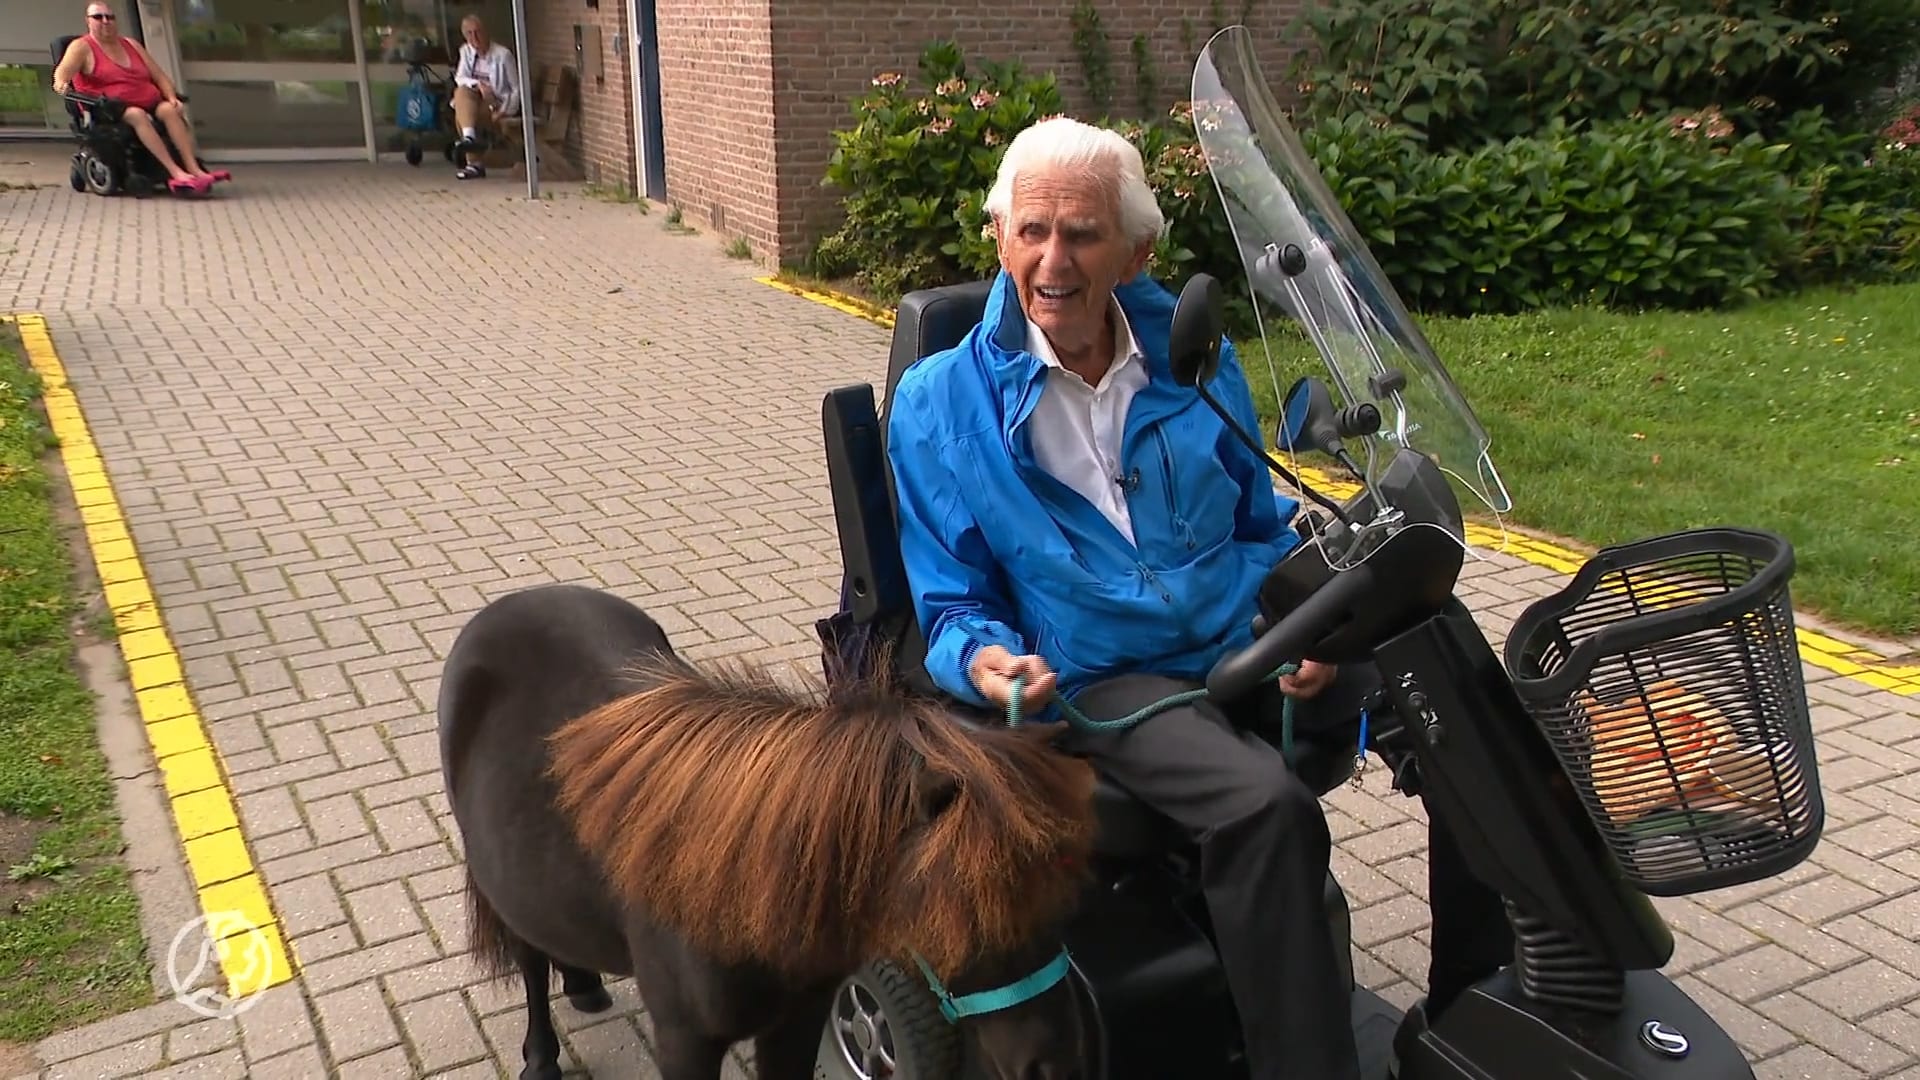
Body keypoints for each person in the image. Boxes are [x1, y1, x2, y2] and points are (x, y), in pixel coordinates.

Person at [884, 116, 1514, 1080]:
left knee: (1462, 700)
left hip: (1244, 631)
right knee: (1266, 810)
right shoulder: (938, 402)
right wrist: (986, 660)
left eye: (1083, 234)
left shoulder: (1193, 355)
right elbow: (951, 598)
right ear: (999, 237)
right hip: (1108, 673)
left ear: (1135, 252)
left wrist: (1308, 623)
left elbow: (1260, 523)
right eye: (1033, 231)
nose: (1054, 260)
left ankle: (1479, 1010)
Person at [52, 2, 229, 194]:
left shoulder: (132, 44)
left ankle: (192, 167)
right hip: (110, 108)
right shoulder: (81, 47)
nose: (105, 21)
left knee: (169, 110)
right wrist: (61, 85)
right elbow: (61, 74)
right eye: (98, 17)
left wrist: (171, 97)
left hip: (148, 101)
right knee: (137, 115)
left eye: (110, 17)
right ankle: (175, 172)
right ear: (88, 21)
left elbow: (159, 76)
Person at [449, 14, 521, 181]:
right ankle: (470, 139)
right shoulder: (466, 51)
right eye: (469, 34)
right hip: (476, 101)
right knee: (461, 93)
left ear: (486, 32)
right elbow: (460, 77)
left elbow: (516, 88)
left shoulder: (503, 55)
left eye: (478, 32)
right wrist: (479, 85)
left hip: (496, 104)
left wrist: (504, 111)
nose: (474, 38)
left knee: (462, 112)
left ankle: (474, 162)